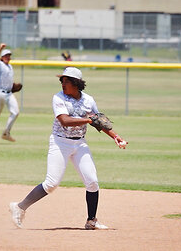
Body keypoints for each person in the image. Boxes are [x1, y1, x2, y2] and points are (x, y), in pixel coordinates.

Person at [9, 67, 128, 230]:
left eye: (67, 81)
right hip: (60, 142)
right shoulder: (58, 98)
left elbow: (98, 121)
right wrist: (87, 120)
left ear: (76, 83)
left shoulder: (88, 100)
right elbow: (65, 120)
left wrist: (115, 136)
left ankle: (91, 220)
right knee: (51, 184)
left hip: (79, 143)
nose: (63, 84)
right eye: (62, 80)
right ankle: (20, 207)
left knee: (92, 181)